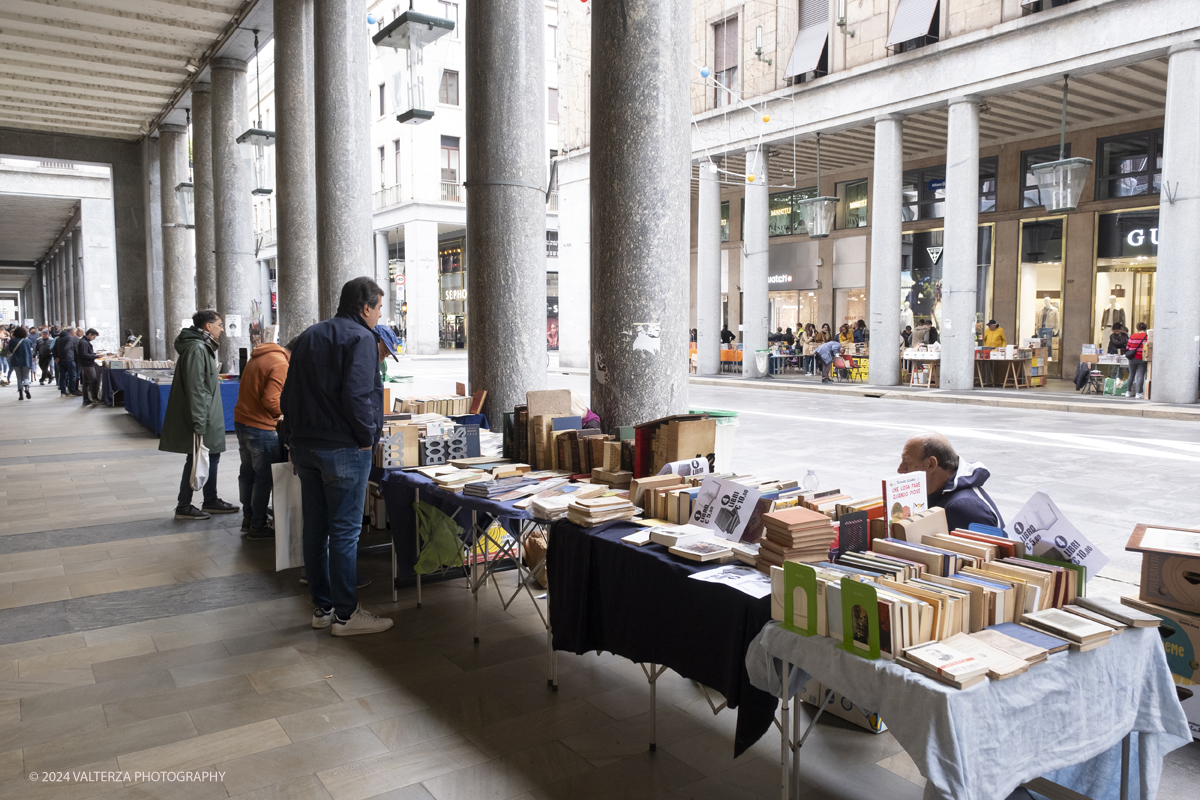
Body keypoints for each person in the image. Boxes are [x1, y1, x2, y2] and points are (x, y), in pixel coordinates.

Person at [280, 277, 393, 637]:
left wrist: (293, 439)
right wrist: (366, 438)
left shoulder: (310, 335)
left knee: (316, 527)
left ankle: (323, 608)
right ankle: (347, 615)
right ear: (365, 308)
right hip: (342, 448)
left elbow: (288, 394)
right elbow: (359, 396)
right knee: (345, 532)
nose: (378, 316)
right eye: (378, 309)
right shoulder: (360, 338)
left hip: (304, 445)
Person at [160, 310, 238, 521]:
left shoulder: (201, 347)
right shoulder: (197, 349)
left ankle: (210, 499)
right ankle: (183, 505)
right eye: (219, 325)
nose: (222, 329)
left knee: (211, 455)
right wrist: (200, 420)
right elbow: (197, 388)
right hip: (204, 416)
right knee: (196, 458)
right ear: (207, 327)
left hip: (208, 414)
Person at [234, 337, 294, 539]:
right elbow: (271, 400)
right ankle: (258, 525)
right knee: (264, 477)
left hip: (243, 422)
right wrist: (286, 412)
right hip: (261, 427)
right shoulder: (281, 363)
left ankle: (248, 518)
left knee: (248, 473)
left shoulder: (262, 355)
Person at [897, 433, 1004, 531]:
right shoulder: (936, 491)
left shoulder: (964, 507)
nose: (900, 469)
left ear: (930, 464)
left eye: (906, 461)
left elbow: (985, 551)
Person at [76, 328, 100, 405]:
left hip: (85, 364)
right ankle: (94, 398)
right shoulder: (84, 343)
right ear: (89, 334)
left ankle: (86, 398)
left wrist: (94, 355)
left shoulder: (84, 341)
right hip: (87, 364)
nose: (94, 339)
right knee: (93, 380)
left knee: (86, 382)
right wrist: (95, 356)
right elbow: (84, 354)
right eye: (94, 337)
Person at [7, 327, 33, 400]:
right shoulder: (28, 341)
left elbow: (11, 350)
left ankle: (20, 394)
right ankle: (27, 387)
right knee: (26, 376)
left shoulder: (12, 341)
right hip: (26, 361)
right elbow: (31, 352)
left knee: (19, 377)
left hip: (15, 361)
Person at [1125, 322, 1149, 399]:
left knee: (1131, 374)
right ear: (1145, 328)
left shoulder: (1132, 336)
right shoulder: (1147, 336)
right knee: (1140, 375)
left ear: (1137, 328)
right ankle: (1138, 393)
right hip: (1142, 358)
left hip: (1132, 358)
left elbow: (1128, 347)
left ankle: (1128, 392)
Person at [53, 327, 78, 396]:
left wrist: (56, 357)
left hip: (61, 361)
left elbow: (54, 349)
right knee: (72, 375)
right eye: (75, 333)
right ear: (72, 332)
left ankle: (63, 392)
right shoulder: (70, 339)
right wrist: (59, 357)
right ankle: (71, 392)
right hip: (68, 359)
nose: (75, 335)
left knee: (62, 376)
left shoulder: (58, 339)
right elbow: (66, 348)